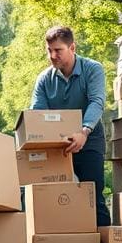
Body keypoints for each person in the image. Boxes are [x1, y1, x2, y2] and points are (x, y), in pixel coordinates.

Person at [31, 25, 111, 227]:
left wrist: (84, 131)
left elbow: (97, 102)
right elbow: (38, 115)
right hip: (57, 146)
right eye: (49, 50)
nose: (52, 55)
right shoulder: (44, 80)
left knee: (93, 197)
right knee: (54, 200)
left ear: (72, 48)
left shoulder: (92, 69)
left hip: (89, 140)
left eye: (58, 50)